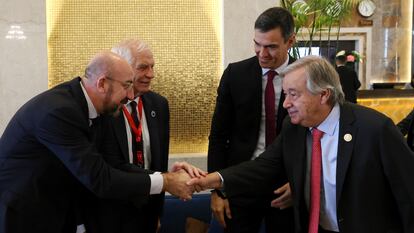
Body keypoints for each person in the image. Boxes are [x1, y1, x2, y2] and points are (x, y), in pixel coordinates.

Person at [191, 55, 414, 233]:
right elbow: (263, 167)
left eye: (294, 95)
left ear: (324, 95)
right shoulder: (294, 127)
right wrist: (212, 180)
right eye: (286, 94)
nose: (286, 103)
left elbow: (409, 194)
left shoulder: (374, 129)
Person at [0, 51, 203, 233]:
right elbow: (100, 179)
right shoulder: (60, 112)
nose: (130, 95)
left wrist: (166, 176)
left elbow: (112, 164)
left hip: (57, 210)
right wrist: (166, 182)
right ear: (102, 83)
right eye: (126, 86)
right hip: (26, 215)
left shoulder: (96, 109)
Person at [208, 7, 295, 233]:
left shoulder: (308, 76)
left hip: (288, 187)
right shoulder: (236, 74)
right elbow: (218, 136)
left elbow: (319, 139)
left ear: (290, 41)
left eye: (271, 47)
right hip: (241, 182)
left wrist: (301, 184)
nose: (262, 53)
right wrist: (217, 191)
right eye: (258, 44)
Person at [84, 40, 170, 233]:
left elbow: (159, 162)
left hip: (146, 211)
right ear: (123, 69)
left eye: (152, 67)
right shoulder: (103, 107)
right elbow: (107, 164)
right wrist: (170, 180)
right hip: (108, 213)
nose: (151, 74)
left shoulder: (159, 105)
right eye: (143, 68)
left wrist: (157, 213)